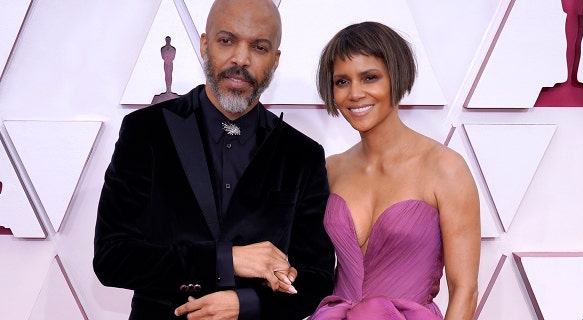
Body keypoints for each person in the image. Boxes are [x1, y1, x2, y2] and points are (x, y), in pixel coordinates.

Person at [93, 0, 335, 319]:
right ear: (205, 44)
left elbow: (316, 279)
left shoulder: (302, 154)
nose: (240, 59)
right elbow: (112, 258)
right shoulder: (146, 131)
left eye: (259, 47)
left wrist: (248, 305)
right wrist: (226, 260)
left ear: (275, 60)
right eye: (227, 40)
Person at [309, 21, 481, 319]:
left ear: (396, 78)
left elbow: (464, 289)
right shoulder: (331, 169)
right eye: (342, 81)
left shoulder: (445, 168)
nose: (355, 93)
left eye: (369, 77)